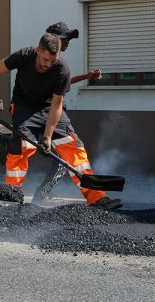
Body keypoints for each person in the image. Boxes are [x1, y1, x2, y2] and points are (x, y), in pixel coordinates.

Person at [0, 33, 121, 210]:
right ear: (38, 50)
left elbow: (56, 105)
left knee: (73, 146)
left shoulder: (62, 69)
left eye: (53, 61)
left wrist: (47, 137)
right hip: (24, 106)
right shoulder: (23, 56)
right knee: (22, 147)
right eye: (45, 59)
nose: (49, 64)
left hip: (49, 107)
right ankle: (11, 200)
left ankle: (97, 198)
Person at [33, 22, 102, 204]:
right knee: (65, 156)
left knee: (63, 157)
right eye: (66, 38)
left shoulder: (55, 62)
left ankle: (43, 193)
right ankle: (42, 194)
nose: (68, 42)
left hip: (52, 116)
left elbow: (66, 82)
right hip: (46, 116)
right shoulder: (46, 62)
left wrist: (87, 76)